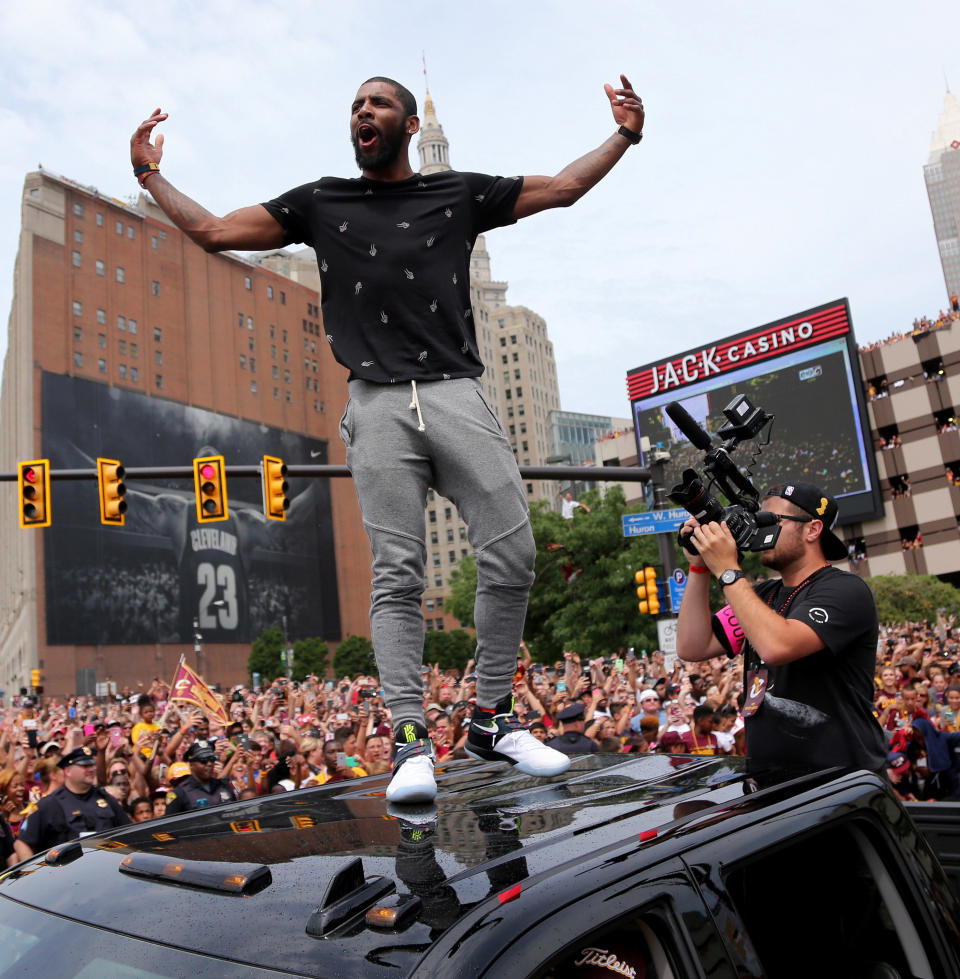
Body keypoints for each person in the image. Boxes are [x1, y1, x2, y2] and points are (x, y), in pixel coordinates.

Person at [130, 71, 645, 805]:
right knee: (397, 574)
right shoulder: (322, 202)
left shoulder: (459, 193)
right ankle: (410, 739)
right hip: (375, 406)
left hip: (456, 390)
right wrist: (149, 174)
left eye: (377, 104)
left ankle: (493, 718)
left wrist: (624, 134)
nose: (361, 112)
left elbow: (563, 185)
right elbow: (214, 232)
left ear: (408, 126)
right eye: (354, 106)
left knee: (515, 551)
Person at [676, 481, 887, 774]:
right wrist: (699, 567)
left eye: (771, 521)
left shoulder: (845, 589)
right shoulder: (764, 596)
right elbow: (692, 646)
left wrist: (727, 569)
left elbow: (778, 646)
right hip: (772, 784)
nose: (762, 530)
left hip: (840, 786)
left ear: (812, 530)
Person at [14, 747, 130, 860]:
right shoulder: (50, 804)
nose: (91, 769)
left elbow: (128, 832)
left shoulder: (106, 799)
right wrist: (36, 876)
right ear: (68, 771)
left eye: (92, 765)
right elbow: (21, 844)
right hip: (65, 873)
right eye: (85, 766)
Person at [163, 740, 239, 814]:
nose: (209, 764)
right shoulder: (180, 793)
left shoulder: (224, 786)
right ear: (191, 764)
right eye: (203, 760)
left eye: (212, 759)